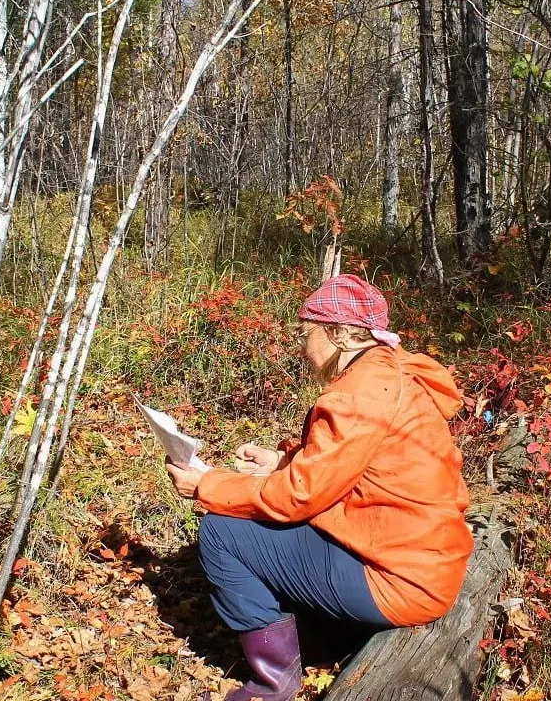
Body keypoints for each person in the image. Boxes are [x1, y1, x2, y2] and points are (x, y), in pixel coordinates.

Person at [166, 273, 473, 701]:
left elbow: (297, 498)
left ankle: (272, 684)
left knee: (222, 530)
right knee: (267, 528)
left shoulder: (359, 394)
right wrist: (285, 460)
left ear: (340, 334)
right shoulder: (392, 372)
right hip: (426, 557)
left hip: (401, 579)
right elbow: (358, 465)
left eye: (306, 333)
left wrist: (208, 484)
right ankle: (325, 641)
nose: (302, 344)